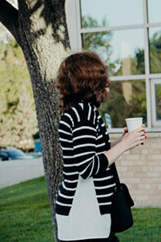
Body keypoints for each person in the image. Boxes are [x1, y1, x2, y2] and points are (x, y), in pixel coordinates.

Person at [55, 51, 146, 241]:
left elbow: (89, 153)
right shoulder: (83, 113)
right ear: (91, 80)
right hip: (84, 215)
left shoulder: (79, 110)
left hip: (87, 215)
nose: (107, 82)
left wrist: (122, 142)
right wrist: (124, 145)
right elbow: (87, 167)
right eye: (102, 75)